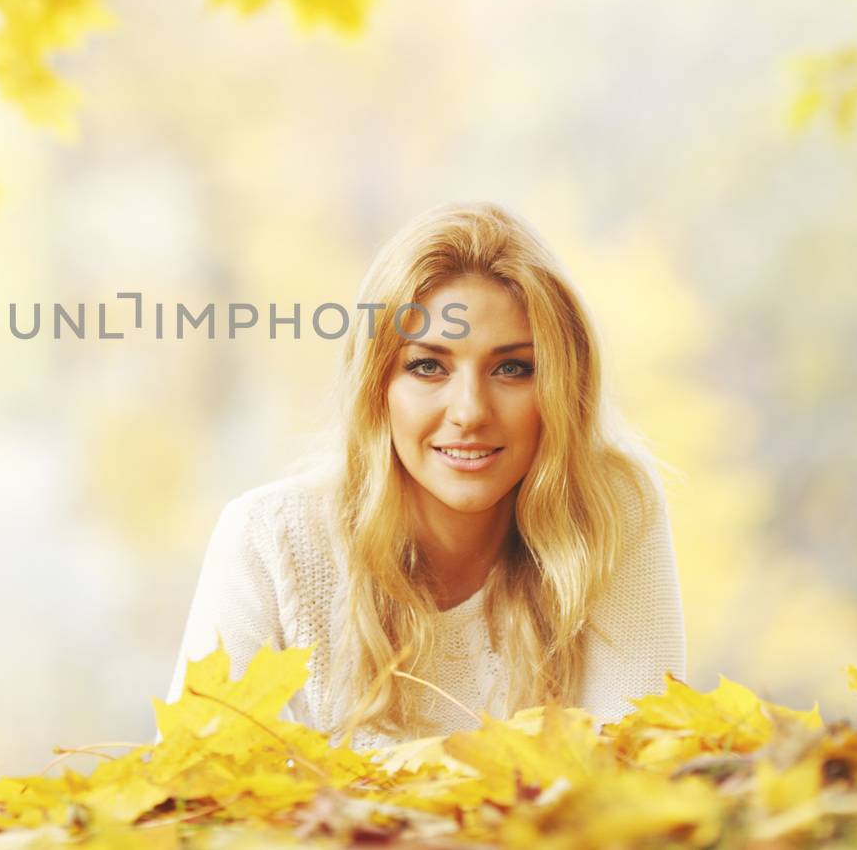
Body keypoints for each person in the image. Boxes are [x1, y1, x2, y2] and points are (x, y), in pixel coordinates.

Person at [161, 200, 686, 754]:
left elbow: (636, 769)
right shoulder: (270, 538)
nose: (469, 411)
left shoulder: (608, 507)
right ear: (376, 387)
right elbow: (193, 796)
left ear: (559, 386)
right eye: (427, 366)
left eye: (513, 368)